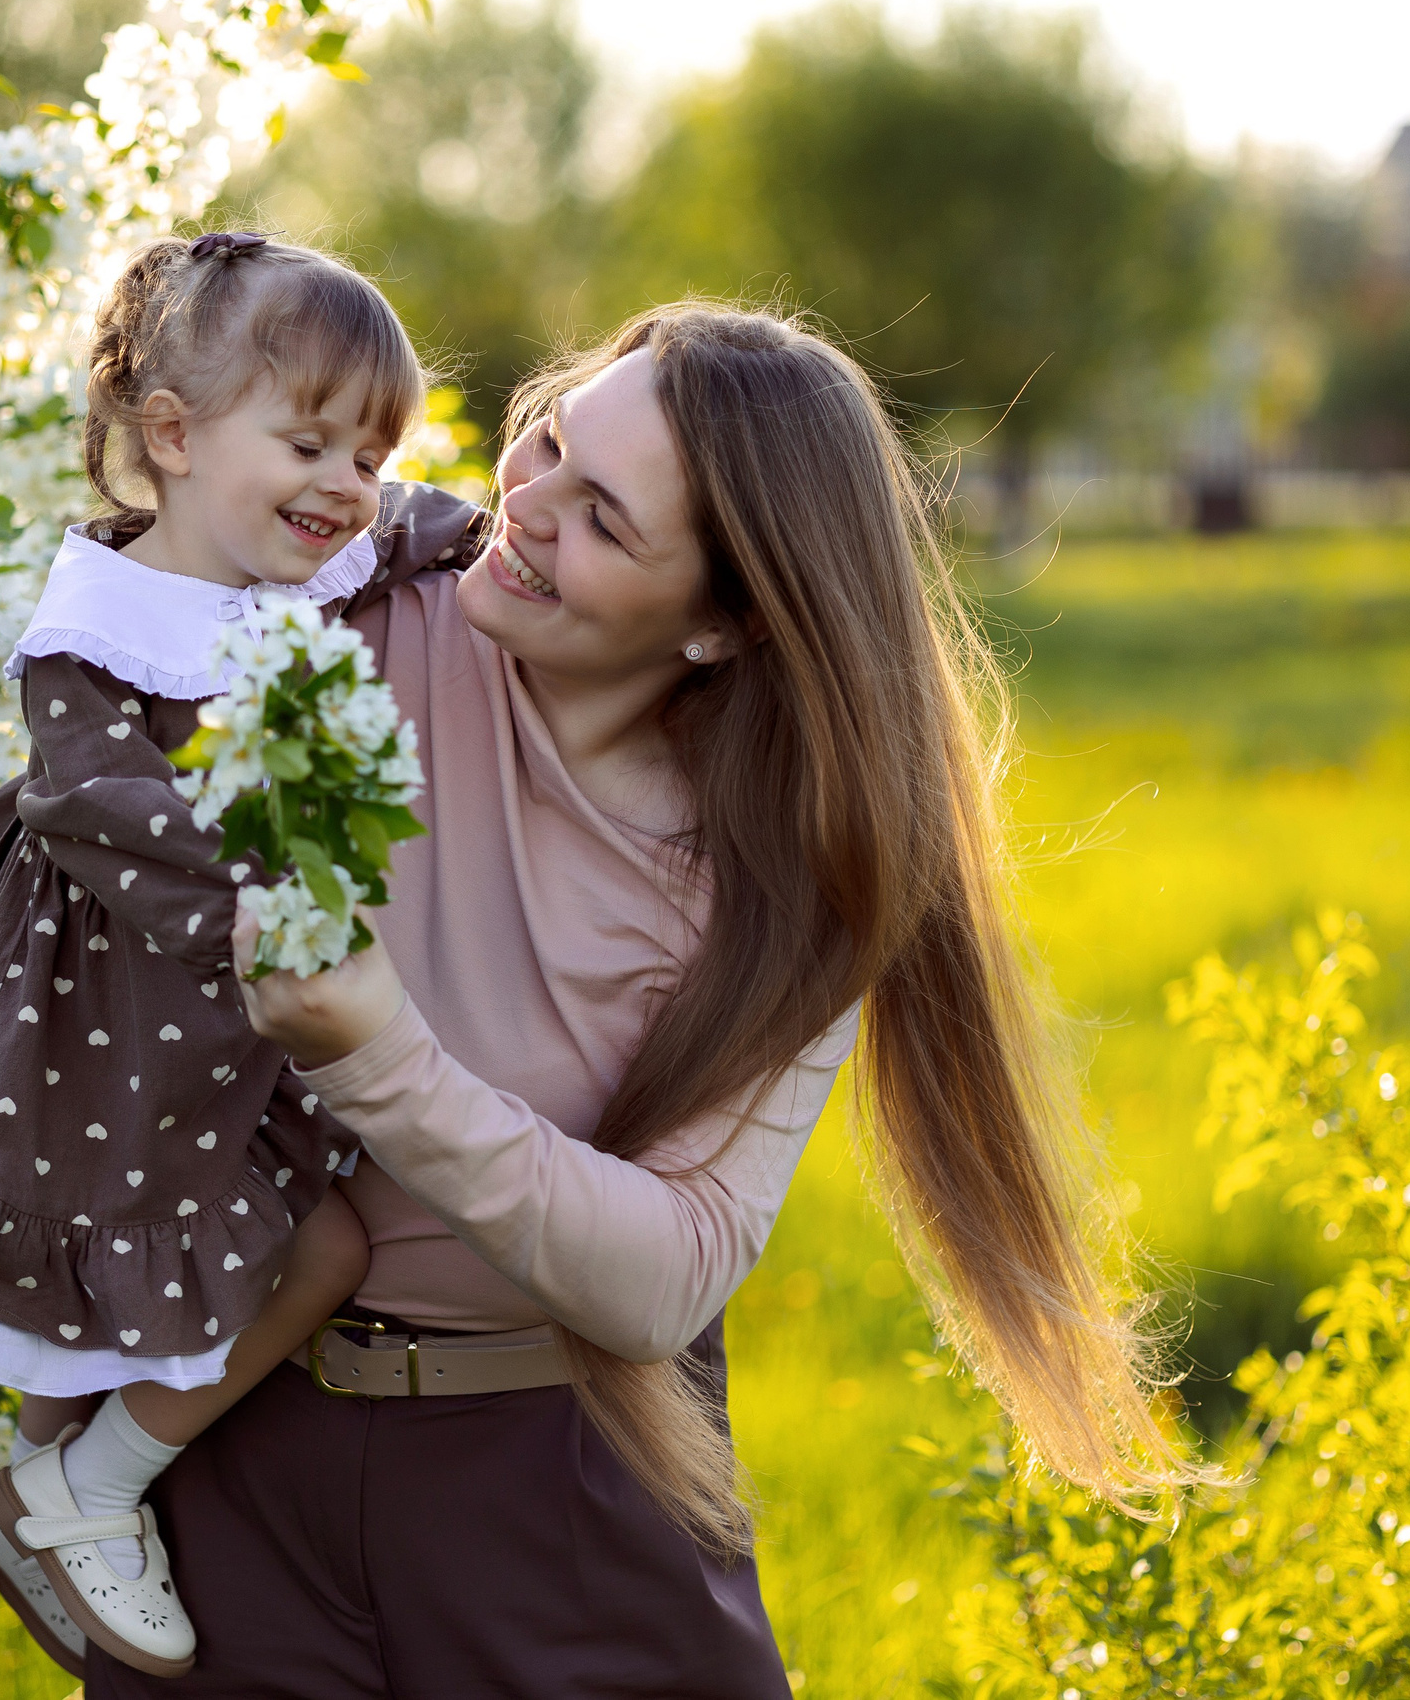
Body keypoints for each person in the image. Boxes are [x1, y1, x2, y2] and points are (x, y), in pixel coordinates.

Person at [78, 302, 1202, 1696]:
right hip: (231, 1455)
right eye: (546, 443)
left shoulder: (799, 874)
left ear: (726, 625)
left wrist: (379, 1057)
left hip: (561, 1483)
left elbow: (668, 1273)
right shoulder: (331, 619)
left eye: (604, 520)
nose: (528, 506)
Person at [0, 230, 489, 1680]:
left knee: (299, 1239)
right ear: (170, 436)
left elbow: (433, 525)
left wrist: (516, 532)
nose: (346, 486)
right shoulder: (101, 619)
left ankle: (51, 1493)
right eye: (309, 441)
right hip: (97, 1008)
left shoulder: (325, 544)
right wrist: (258, 914)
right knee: (196, 1247)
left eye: (368, 452)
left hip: (225, 1007)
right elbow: (92, 801)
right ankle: (82, 1489)